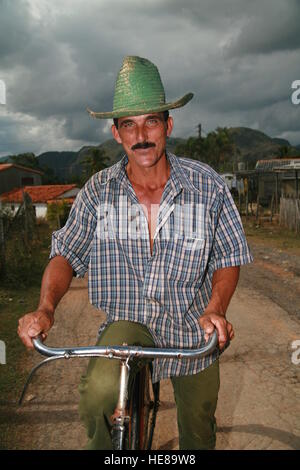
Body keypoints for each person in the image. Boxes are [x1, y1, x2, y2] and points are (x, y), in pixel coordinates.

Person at [17, 56, 253, 450]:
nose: (141, 135)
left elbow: (228, 257)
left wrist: (216, 308)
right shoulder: (97, 191)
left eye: (151, 122)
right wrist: (45, 309)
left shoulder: (206, 186)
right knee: (97, 398)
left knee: (198, 429)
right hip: (128, 324)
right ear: (116, 133)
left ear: (168, 126)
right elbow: (65, 254)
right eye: (129, 124)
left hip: (191, 329)